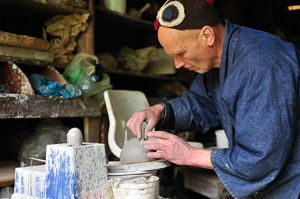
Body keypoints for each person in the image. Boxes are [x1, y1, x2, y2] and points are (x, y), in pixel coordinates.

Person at [126, 0, 300, 198]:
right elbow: (199, 105)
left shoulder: (262, 65)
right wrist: (159, 111)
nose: (177, 65)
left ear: (207, 35)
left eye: (180, 53)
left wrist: (189, 155)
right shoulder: (219, 60)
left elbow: (260, 159)